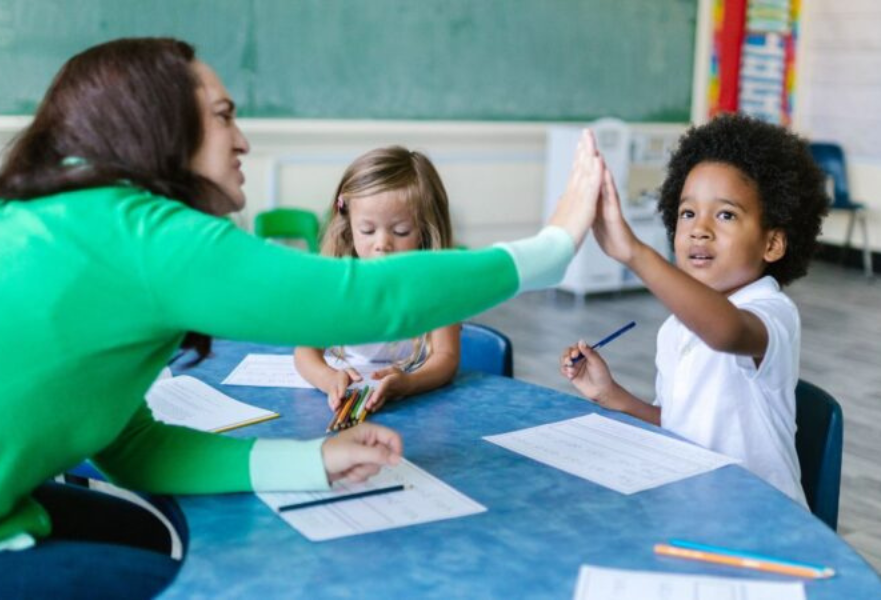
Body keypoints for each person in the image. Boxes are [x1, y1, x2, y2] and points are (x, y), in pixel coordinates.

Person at [0, 37, 602, 596]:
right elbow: (356, 298)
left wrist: (315, 461)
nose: (243, 141)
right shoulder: (139, 233)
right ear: (158, 127)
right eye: (224, 115)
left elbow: (132, 448)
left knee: (155, 542)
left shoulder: (78, 220)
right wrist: (550, 248)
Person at [561, 113, 829, 505]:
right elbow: (677, 426)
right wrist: (612, 395)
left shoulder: (773, 312)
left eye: (725, 215)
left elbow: (728, 332)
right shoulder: (677, 328)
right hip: (694, 507)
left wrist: (635, 254)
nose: (699, 229)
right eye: (688, 213)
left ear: (772, 243)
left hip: (763, 524)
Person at [295, 147, 460, 414]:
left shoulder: (438, 287)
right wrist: (328, 379)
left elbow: (447, 358)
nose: (382, 244)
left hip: (417, 407)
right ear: (349, 226)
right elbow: (305, 353)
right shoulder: (338, 283)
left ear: (425, 231)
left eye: (401, 231)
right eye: (368, 230)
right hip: (345, 401)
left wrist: (409, 383)